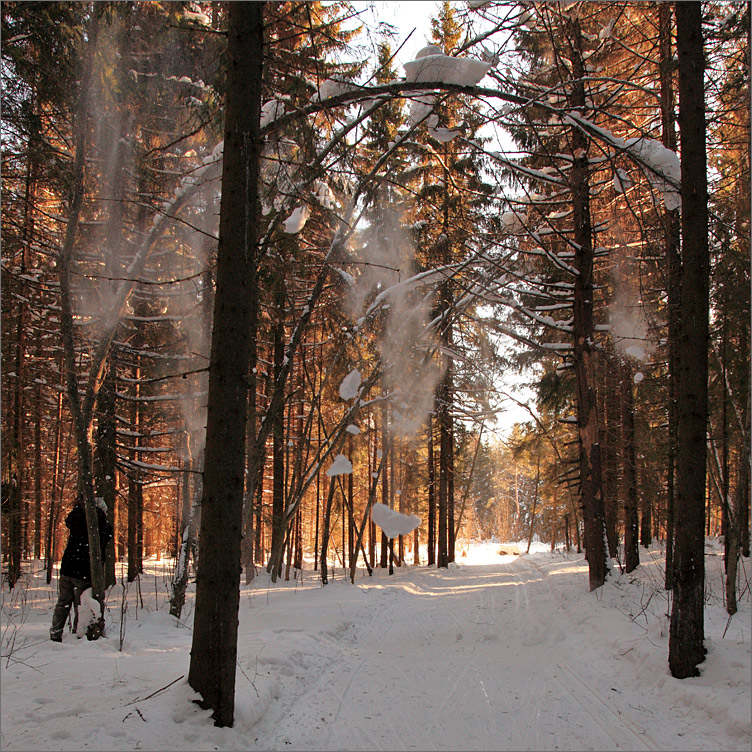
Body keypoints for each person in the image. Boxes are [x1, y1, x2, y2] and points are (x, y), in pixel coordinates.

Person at [50, 496, 113, 642]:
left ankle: (56, 631)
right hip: (83, 571)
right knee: (82, 604)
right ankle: (80, 634)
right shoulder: (98, 522)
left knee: (63, 602)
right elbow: (105, 538)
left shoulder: (76, 517)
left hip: (67, 567)